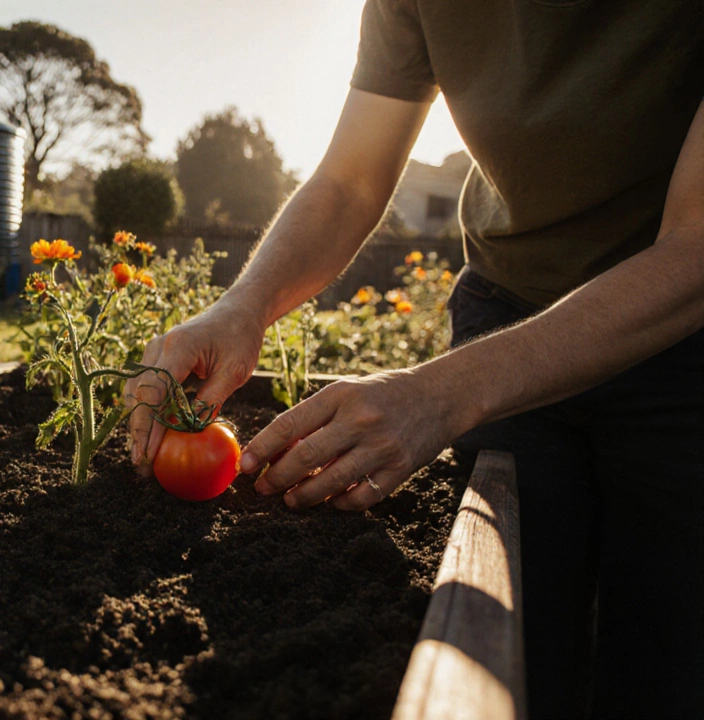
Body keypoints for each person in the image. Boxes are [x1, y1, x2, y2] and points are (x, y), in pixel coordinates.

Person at [125, 3, 704, 718]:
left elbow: (695, 249)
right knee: (521, 652)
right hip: (507, 307)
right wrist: (241, 307)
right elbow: (350, 180)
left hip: (681, 342)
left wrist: (441, 393)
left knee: (667, 655)